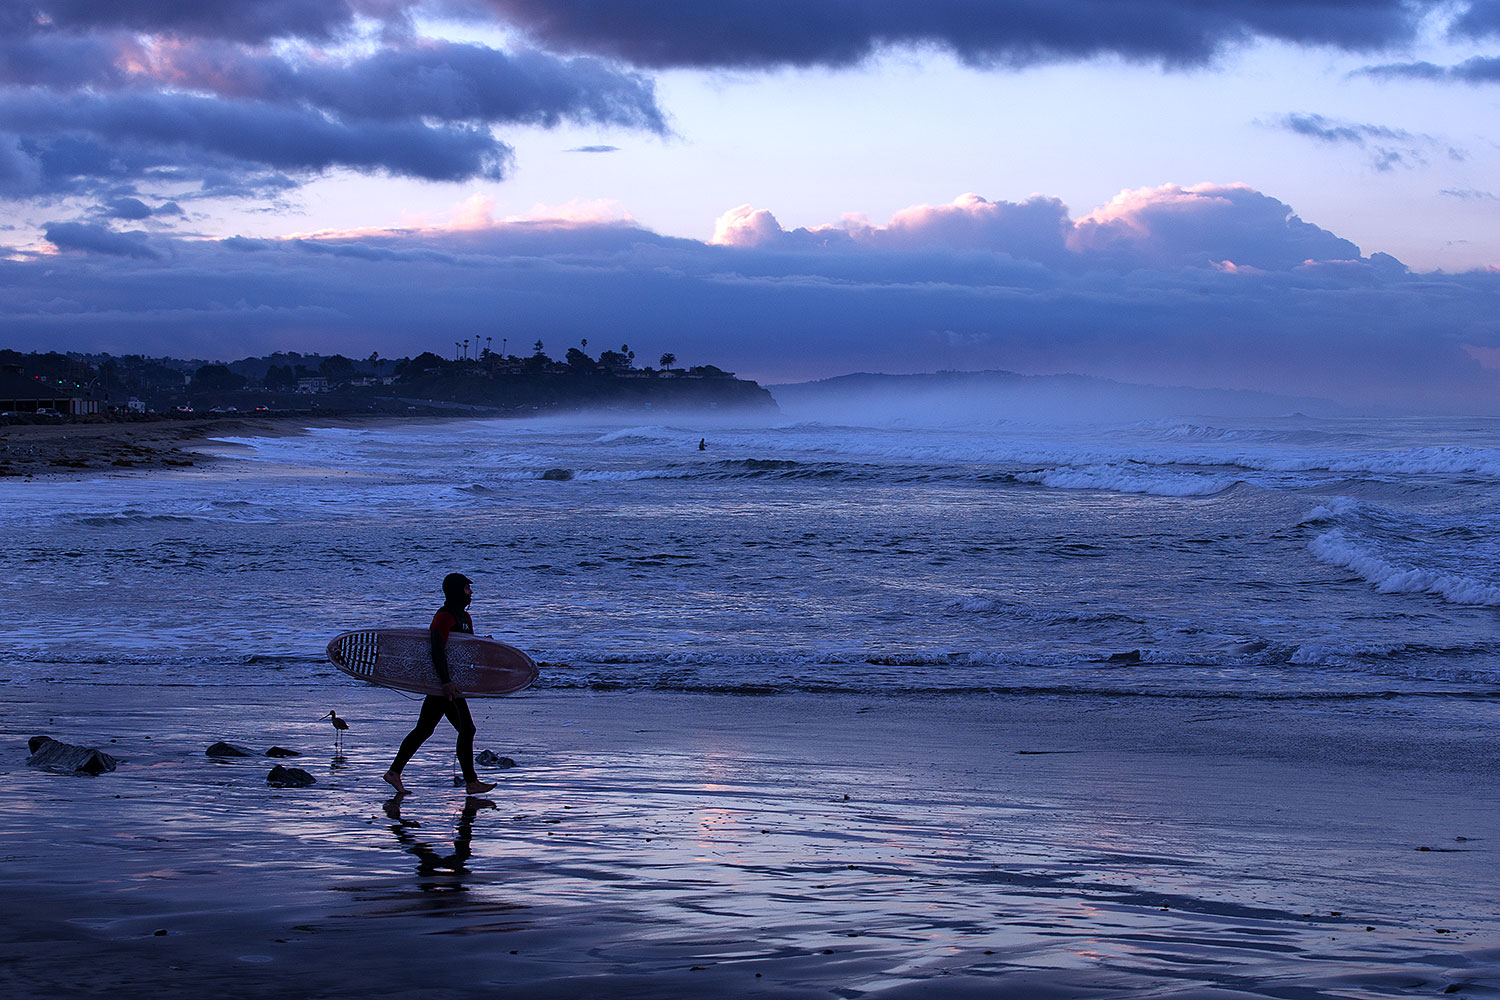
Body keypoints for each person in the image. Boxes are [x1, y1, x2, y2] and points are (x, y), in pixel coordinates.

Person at [383, 573, 496, 796]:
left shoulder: (464, 618)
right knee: (466, 729)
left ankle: (394, 772)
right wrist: (445, 682)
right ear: (456, 591)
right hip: (443, 684)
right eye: (466, 588)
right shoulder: (444, 616)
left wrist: (485, 644)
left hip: (452, 683)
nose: (470, 593)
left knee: (425, 729)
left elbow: (464, 649)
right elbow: (437, 649)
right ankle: (471, 782)